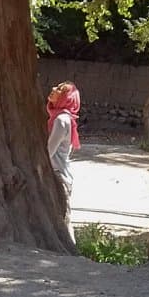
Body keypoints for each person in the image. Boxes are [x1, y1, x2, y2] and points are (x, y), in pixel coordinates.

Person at [45, 82, 82, 229]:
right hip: (59, 174)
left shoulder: (61, 120)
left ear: (66, 98)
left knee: (62, 224)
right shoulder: (60, 118)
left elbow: (49, 151)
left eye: (60, 89)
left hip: (58, 176)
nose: (53, 89)